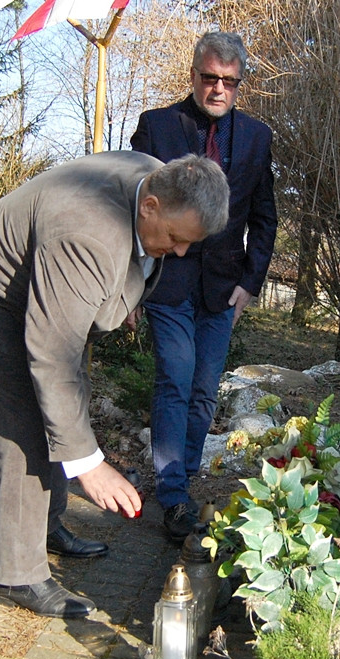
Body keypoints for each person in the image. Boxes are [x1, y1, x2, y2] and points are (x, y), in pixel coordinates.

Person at [0, 151, 229, 619]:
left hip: (45, 284)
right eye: (175, 239)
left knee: (68, 398)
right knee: (28, 417)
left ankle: (45, 526)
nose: (178, 252)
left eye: (188, 245)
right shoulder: (87, 232)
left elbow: (129, 263)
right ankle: (19, 575)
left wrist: (124, 296)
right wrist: (89, 465)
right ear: (151, 205)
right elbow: (52, 358)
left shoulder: (159, 180)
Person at [130, 31, 278, 543]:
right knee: (176, 376)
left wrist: (251, 283)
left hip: (223, 289)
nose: (218, 89)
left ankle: (184, 481)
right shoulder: (157, 127)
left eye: (229, 82)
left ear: (239, 85)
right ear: (194, 75)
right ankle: (172, 495)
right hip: (166, 281)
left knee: (203, 390)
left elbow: (264, 218)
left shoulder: (258, 138)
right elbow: (132, 209)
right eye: (210, 78)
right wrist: (129, 281)